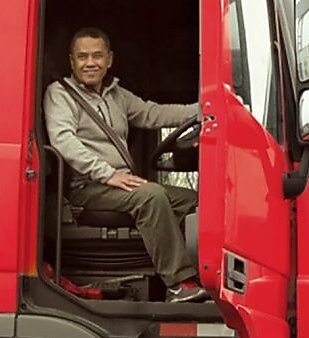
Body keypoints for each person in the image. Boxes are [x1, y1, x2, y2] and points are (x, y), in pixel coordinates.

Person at [44, 27, 209, 303]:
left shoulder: (116, 94)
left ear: (109, 59)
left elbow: (152, 113)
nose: (90, 63)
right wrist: (108, 174)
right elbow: (63, 142)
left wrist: (202, 109)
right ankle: (179, 284)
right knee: (151, 196)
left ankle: (207, 277)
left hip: (120, 183)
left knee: (194, 201)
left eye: (97, 56)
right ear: (72, 61)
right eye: (82, 56)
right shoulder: (59, 94)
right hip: (87, 186)